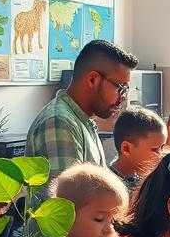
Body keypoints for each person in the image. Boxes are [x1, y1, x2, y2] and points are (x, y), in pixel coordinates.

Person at [26, 40, 137, 180]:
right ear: (92, 80)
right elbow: (68, 193)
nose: (123, 98)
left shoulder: (83, 121)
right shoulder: (60, 123)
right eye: (120, 88)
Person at [109, 106, 167, 192]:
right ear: (126, 148)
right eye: (154, 149)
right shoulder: (109, 187)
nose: (160, 156)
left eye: (162, 148)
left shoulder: (148, 180)